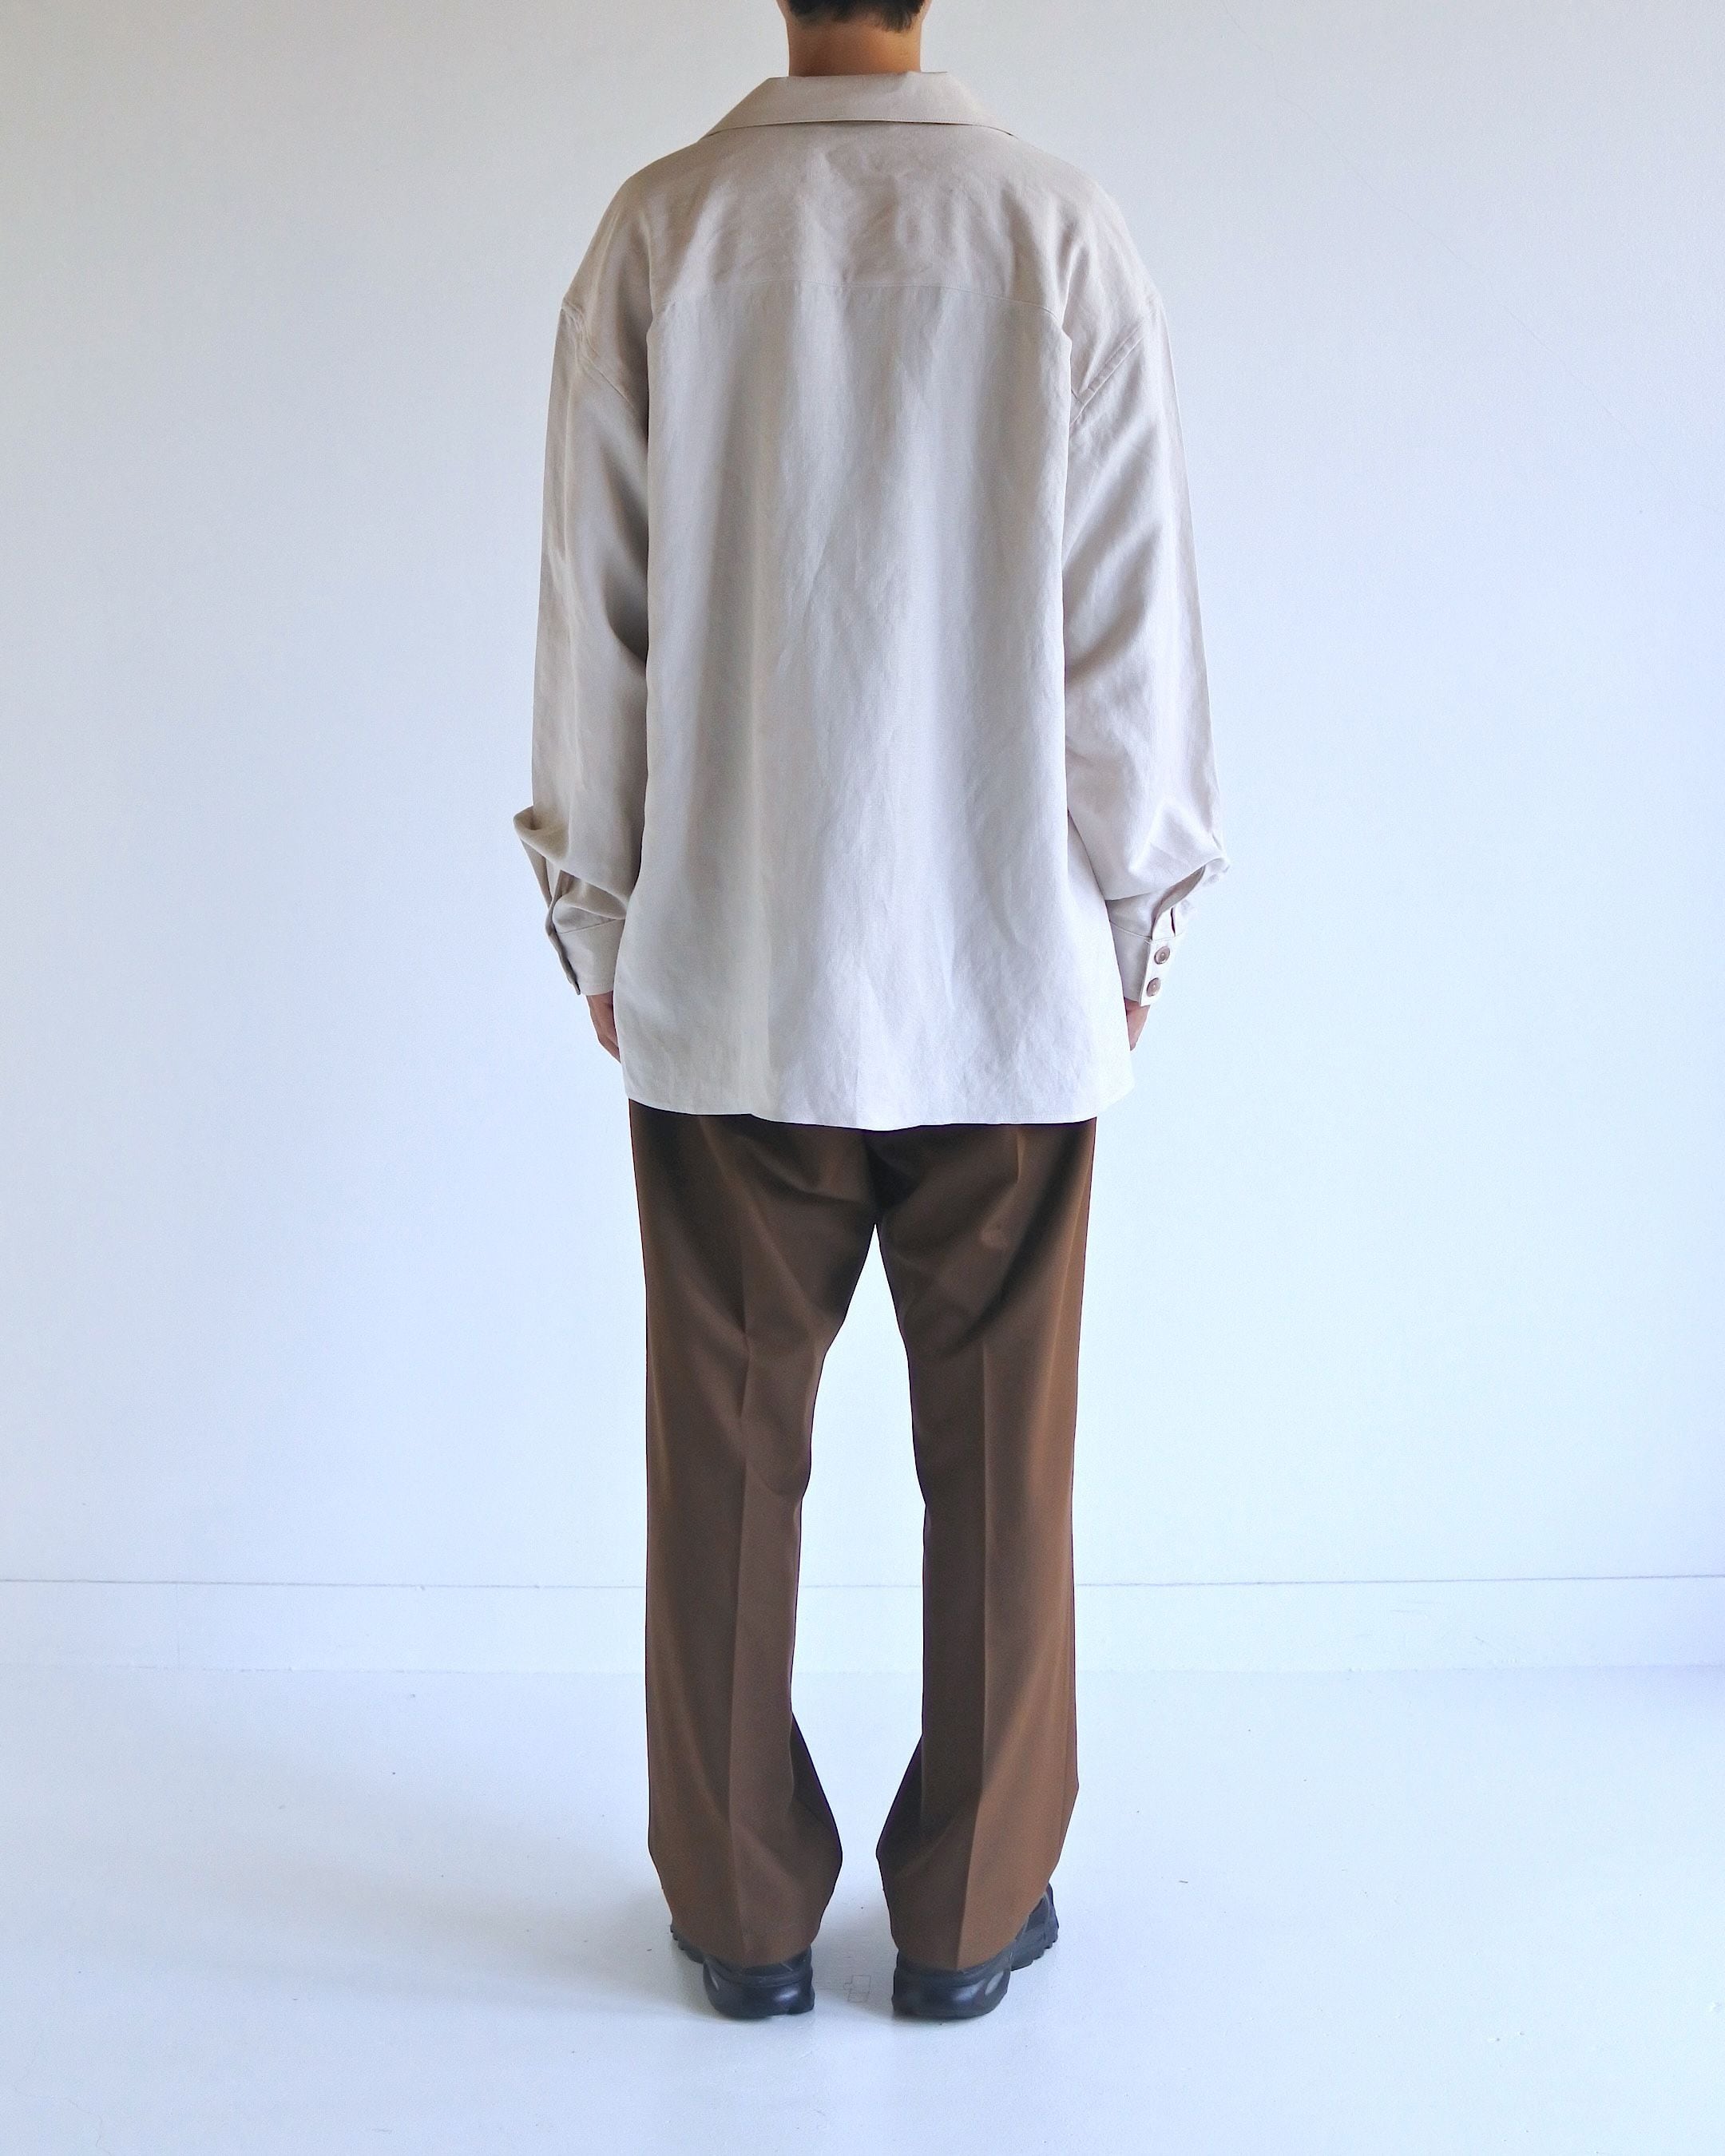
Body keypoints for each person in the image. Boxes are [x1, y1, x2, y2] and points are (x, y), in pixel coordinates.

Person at [513, 0, 1227, 2023]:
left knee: (723, 1465)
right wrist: (1138, 920)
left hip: (736, 964)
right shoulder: (1062, 234)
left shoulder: (663, 233)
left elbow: (596, 617)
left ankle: (740, 1915)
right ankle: (972, 1913)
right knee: (1003, 1465)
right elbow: (1129, 624)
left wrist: (599, 916)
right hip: (1006, 965)